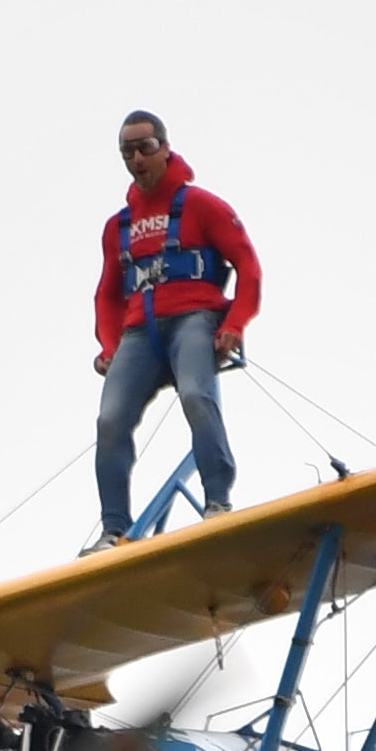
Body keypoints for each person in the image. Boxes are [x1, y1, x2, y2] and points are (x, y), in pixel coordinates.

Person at [85, 111, 263, 549]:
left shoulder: (201, 206)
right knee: (110, 420)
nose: (137, 159)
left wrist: (234, 325)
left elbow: (248, 267)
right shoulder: (118, 228)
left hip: (193, 320)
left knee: (197, 397)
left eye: (145, 147)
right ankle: (114, 528)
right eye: (127, 152)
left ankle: (217, 500)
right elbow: (107, 294)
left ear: (165, 147)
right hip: (140, 335)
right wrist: (109, 346)